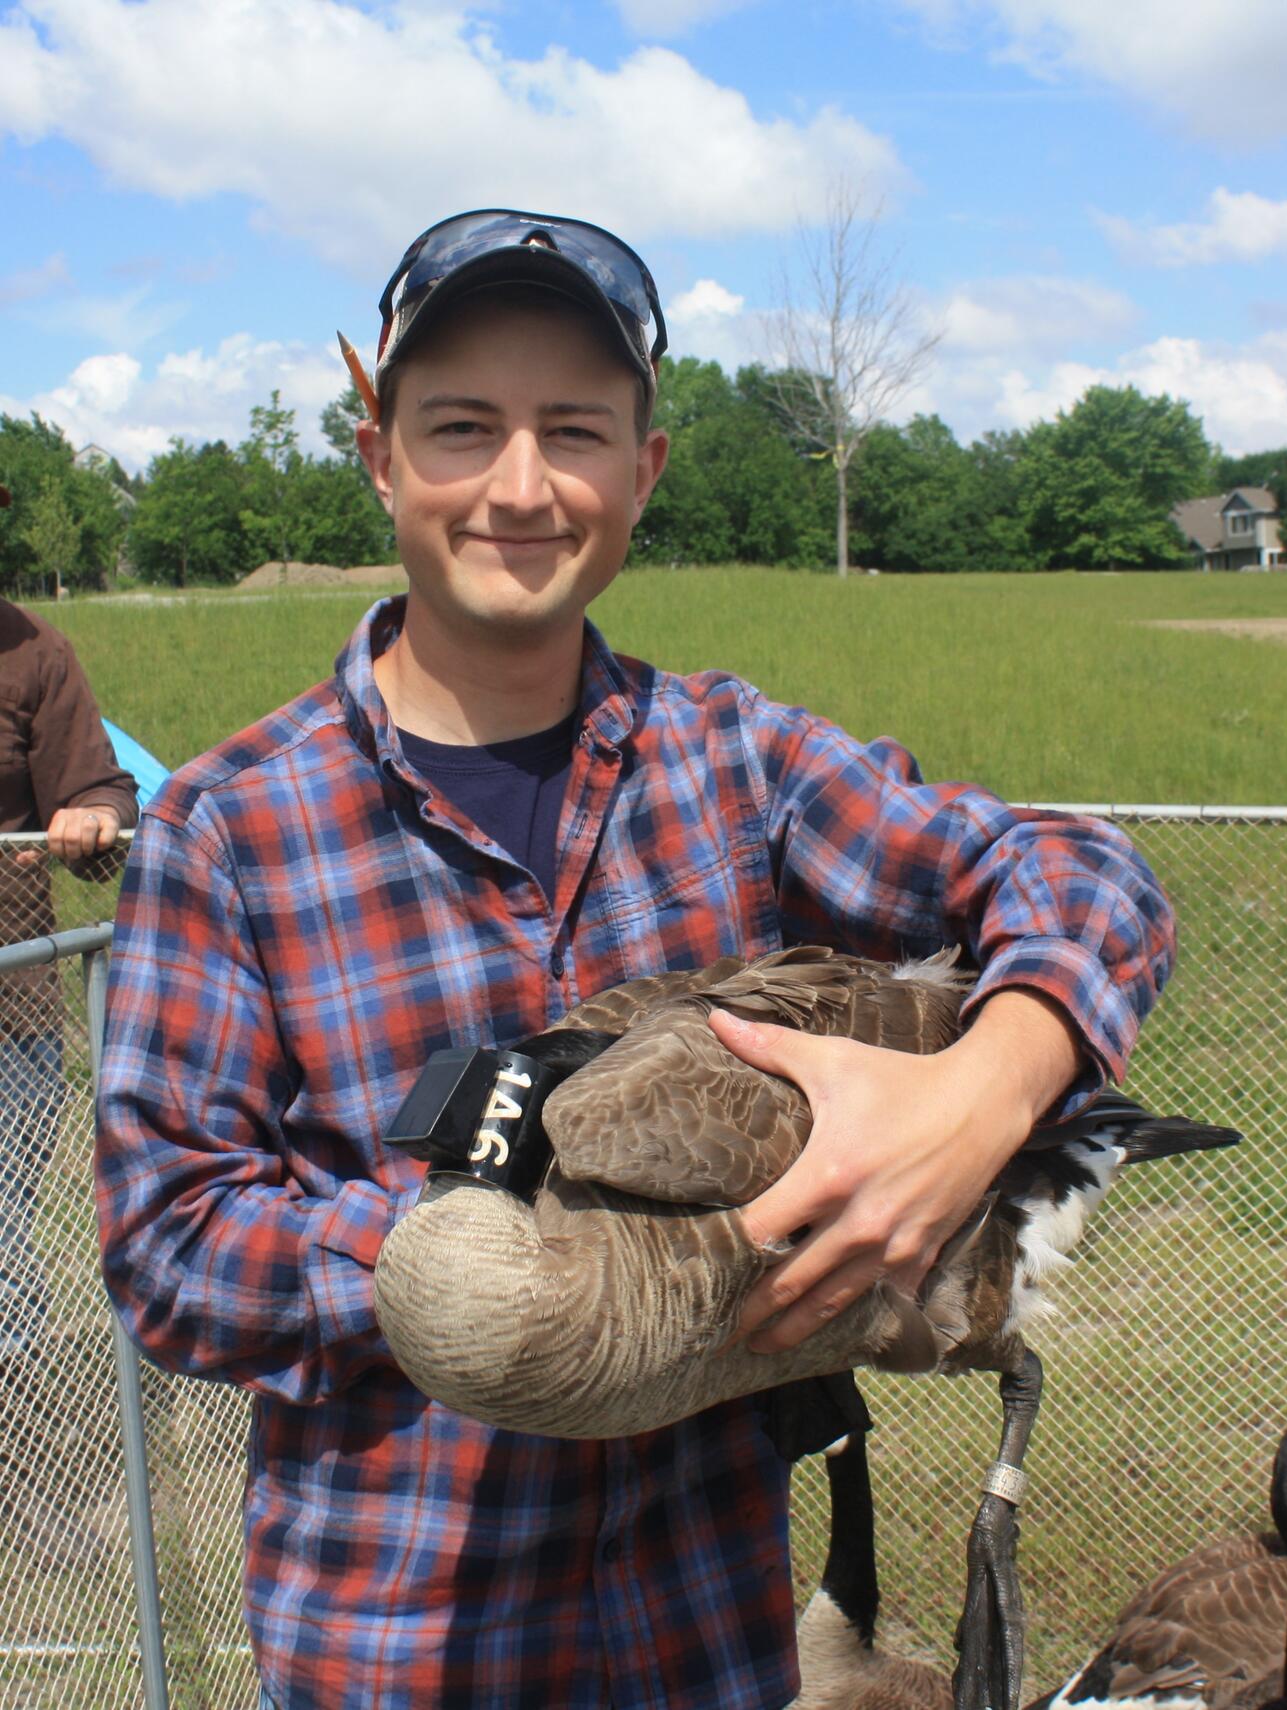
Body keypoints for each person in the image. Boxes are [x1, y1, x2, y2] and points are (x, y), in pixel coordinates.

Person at [94, 210, 1175, 1710]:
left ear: (644, 470)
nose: (520, 486)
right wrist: (519, 1272)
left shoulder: (735, 762)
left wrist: (989, 1086)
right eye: (463, 427)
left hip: (701, 1644)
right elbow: (171, 1244)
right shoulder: (229, 829)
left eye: (575, 430)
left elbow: (1086, 872)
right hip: (393, 1650)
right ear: (380, 452)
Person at [0, 528, 138, 1565]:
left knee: (3, 1260)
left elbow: (96, 789)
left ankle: (21, 1493)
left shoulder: (35, 656)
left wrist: (91, 816)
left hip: (9, 1018)